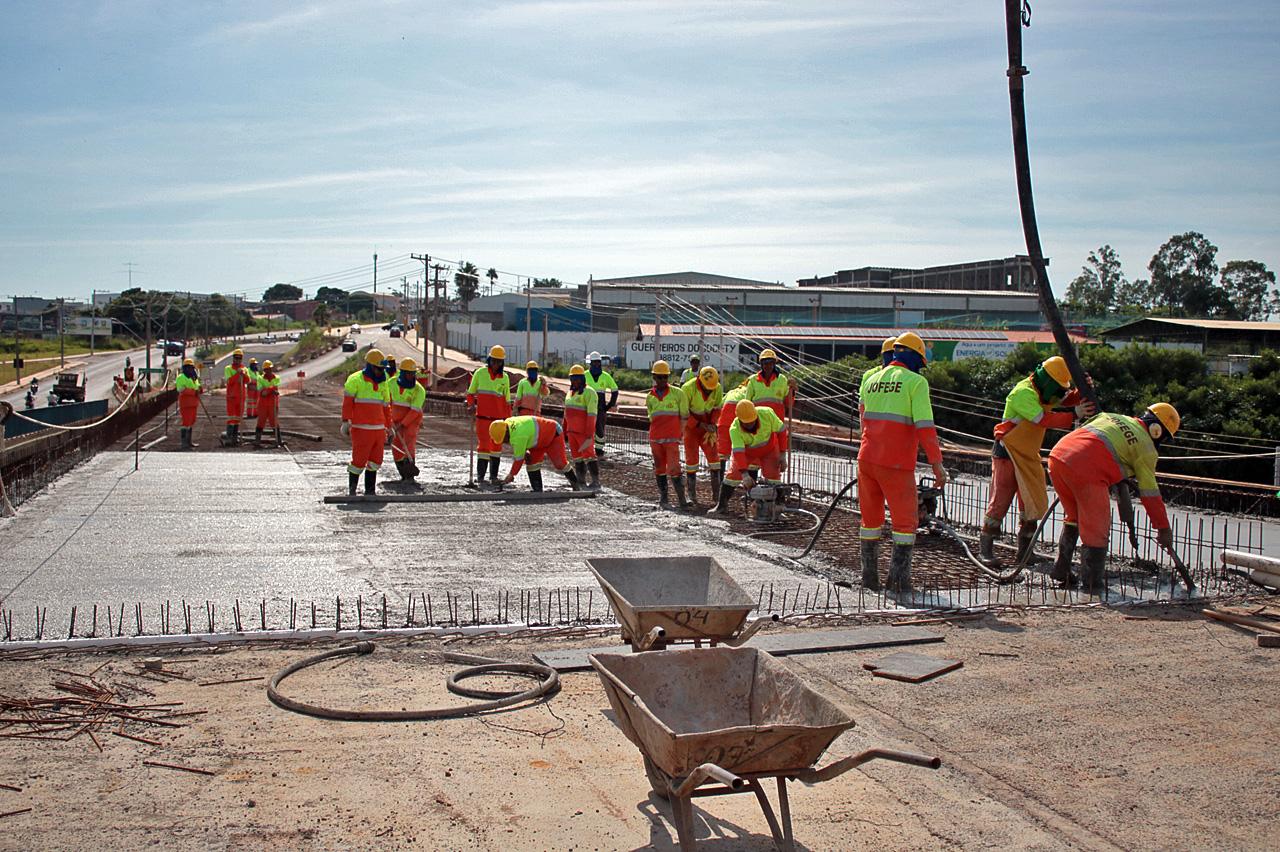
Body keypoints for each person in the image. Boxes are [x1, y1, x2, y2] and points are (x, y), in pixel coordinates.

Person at [1046, 404, 1180, 592]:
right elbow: (1150, 493)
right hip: (1087, 470)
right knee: (1097, 528)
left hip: (1057, 456)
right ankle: (1092, 586)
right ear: (1158, 432)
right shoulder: (1146, 448)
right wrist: (1163, 528)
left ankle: (1061, 568)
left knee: (1075, 517)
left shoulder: (1114, 416)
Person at [980, 356, 1094, 566]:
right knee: (1000, 501)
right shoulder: (1023, 393)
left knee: (1030, 504)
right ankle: (985, 550)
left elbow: (1063, 399)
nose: (1060, 393)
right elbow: (1042, 419)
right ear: (1047, 381)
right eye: (1058, 388)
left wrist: (1081, 393)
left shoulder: (1045, 392)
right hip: (1008, 453)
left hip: (1028, 454)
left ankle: (1024, 553)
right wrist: (1074, 415)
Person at [856, 332, 946, 593]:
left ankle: (869, 581)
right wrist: (937, 464)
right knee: (905, 524)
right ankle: (897, 584)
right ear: (915, 357)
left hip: (867, 460)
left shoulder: (871, 380)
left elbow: (864, 421)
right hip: (895, 464)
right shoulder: (915, 383)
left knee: (870, 522)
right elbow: (925, 427)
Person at [713, 399, 789, 515]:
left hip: (769, 450)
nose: (750, 424)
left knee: (773, 476)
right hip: (748, 453)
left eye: (752, 421)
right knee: (733, 475)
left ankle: (778, 506)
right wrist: (744, 474)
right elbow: (738, 452)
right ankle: (721, 506)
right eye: (746, 423)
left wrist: (783, 455)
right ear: (739, 419)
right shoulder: (734, 429)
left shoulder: (767, 414)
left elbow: (782, 431)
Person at [340, 348, 392, 496]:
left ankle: (370, 491)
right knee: (359, 461)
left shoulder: (383, 382)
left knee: (376, 461)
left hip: (378, 429)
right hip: (361, 428)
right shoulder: (355, 380)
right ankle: (352, 490)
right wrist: (345, 421)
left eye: (383, 369)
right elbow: (348, 403)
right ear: (370, 366)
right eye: (378, 369)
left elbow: (386, 406)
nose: (381, 372)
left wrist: (389, 427)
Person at [491, 415, 582, 492]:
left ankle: (576, 485)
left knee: (560, 464)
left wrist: (511, 474)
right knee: (531, 464)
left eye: (504, 440)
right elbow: (527, 434)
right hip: (538, 441)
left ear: (506, 433)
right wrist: (525, 451)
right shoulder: (508, 422)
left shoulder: (518, 437)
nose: (505, 443)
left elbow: (519, 459)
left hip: (553, 434)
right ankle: (537, 490)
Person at [645, 360, 690, 508]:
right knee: (659, 468)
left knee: (674, 468)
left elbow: (684, 416)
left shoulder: (678, 394)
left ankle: (682, 499)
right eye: (659, 377)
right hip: (655, 438)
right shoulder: (650, 397)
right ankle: (664, 498)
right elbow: (651, 417)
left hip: (671, 439)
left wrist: (680, 434)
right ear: (654, 377)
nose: (662, 380)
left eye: (665, 377)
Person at [466, 345, 512, 487]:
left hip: (499, 421)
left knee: (496, 448)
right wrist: (470, 405)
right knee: (484, 447)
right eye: (494, 361)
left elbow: (507, 401)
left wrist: (508, 421)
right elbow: (470, 393)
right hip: (482, 418)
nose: (496, 364)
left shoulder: (505, 378)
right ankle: (480, 476)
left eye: (499, 362)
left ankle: (493, 476)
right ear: (489, 360)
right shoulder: (480, 373)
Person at [681, 365, 724, 504]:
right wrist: (699, 424)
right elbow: (684, 413)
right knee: (691, 460)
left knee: (714, 459)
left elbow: (717, 408)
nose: (709, 390)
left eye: (711, 388)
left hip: (707, 428)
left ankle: (717, 496)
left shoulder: (717, 388)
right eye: (707, 388)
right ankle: (691, 495)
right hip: (691, 428)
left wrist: (712, 424)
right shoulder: (688, 388)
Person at [746, 349, 795, 451]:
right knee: (755, 456)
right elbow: (747, 404)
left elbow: (788, 403)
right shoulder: (753, 381)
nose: (767, 366)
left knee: (774, 457)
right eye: (765, 363)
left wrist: (792, 391)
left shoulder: (782, 380)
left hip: (775, 424)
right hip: (758, 424)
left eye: (770, 363)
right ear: (761, 364)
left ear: (774, 364)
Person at [562, 365, 600, 489]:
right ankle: (581, 480)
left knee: (589, 456)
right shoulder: (569, 394)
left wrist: (589, 433)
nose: (575, 381)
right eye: (573, 379)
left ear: (583, 379)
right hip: (572, 432)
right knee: (577, 458)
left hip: (584, 433)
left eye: (577, 378)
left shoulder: (589, 393)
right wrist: (564, 431)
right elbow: (566, 414)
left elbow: (592, 414)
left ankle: (595, 481)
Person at [389, 357, 426, 483]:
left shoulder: (418, 390)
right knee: (396, 446)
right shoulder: (391, 383)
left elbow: (415, 410)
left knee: (409, 442)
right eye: (409, 373)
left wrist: (403, 424)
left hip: (412, 419)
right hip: (394, 420)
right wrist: (390, 420)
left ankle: (410, 475)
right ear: (403, 373)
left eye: (413, 373)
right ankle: (402, 471)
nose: (411, 376)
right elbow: (386, 401)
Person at [585, 352, 619, 457]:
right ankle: (586, 449)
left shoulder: (605, 376)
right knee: (586, 429)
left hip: (600, 408)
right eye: (594, 362)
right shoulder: (585, 375)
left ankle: (599, 450)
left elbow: (615, 390)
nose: (596, 364)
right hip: (586, 408)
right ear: (590, 363)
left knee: (600, 429)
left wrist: (609, 405)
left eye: (598, 362)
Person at [716, 381, 750, 473]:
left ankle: (720, 478)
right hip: (739, 423)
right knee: (741, 449)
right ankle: (738, 474)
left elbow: (719, 405)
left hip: (723, 422)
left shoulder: (731, 392)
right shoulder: (750, 391)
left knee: (722, 453)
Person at [223, 348, 251, 445]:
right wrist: (237, 374)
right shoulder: (228, 368)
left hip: (241, 396)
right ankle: (229, 438)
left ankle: (235, 438)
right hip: (231, 396)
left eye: (239, 358)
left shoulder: (244, 369)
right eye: (236, 358)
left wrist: (243, 374)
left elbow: (248, 381)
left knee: (238, 418)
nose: (238, 360)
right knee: (232, 418)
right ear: (233, 358)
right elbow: (229, 381)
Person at [176, 358, 202, 450]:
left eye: (191, 368)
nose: (190, 370)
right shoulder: (181, 377)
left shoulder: (194, 377)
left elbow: (197, 386)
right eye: (188, 368)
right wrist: (193, 392)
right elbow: (180, 389)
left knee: (192, 421)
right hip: (186, 403)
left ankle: (189, 441)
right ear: (185, 368)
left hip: (194, 403)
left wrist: (199, 389)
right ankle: (184, 443)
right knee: (186, 422)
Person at [254, 360, 282, 447]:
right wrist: (271, 389)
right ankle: (257, 441)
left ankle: (279, 440)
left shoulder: (276, 378)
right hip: (263, 405)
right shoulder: (260, 378)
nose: (268, 371)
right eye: (266, 369)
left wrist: (268, 389)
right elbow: (263, 393)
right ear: (264, 370)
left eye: (270, 368)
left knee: (274, 422)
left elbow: (274, 388)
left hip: (273, 404)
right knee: (261, 422)